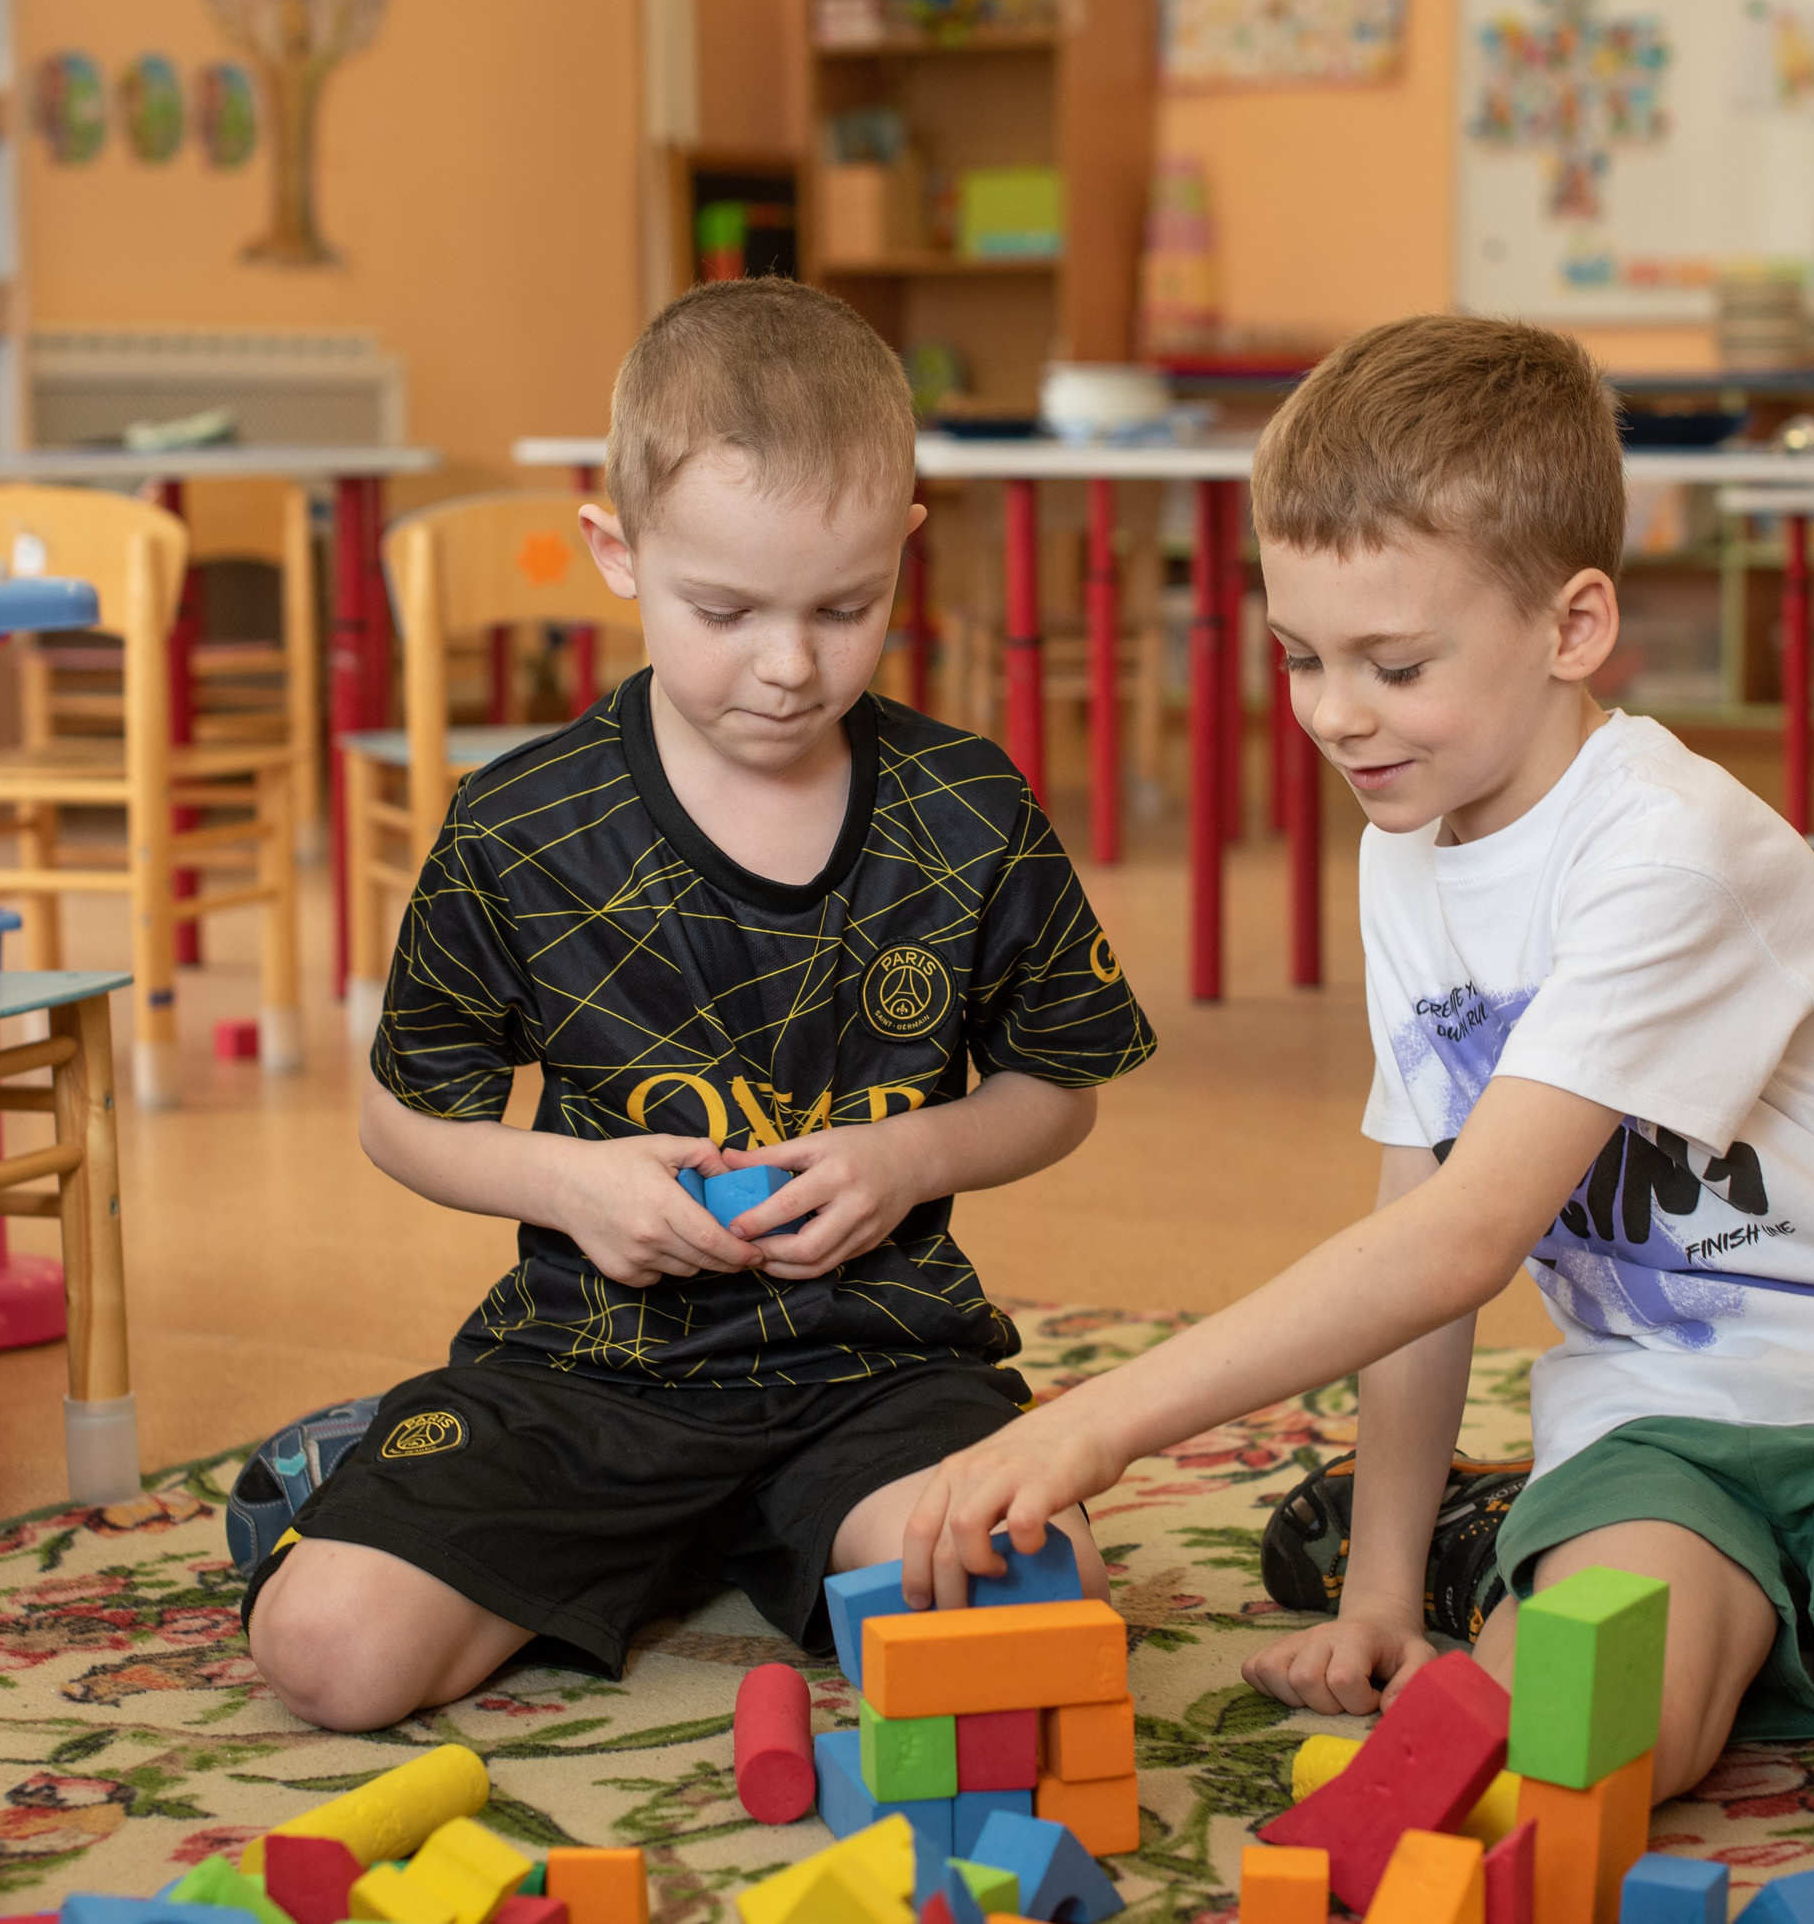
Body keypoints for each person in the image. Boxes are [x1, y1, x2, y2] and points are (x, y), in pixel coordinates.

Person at [899, 315, 1814, 1853]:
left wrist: (1096, 1424)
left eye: (1395, 664)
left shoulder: (1669, 845)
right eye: (1301, 656)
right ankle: (1537, 1562)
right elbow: (1421, 1214)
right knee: (1559, 1755)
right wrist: (1379, 1595)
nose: (1336, 711)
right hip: (1665, 1424)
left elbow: (1463, 1238)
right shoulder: (1407, 838)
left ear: (1573, 623)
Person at [245, 278, 1155, 1732]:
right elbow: (399, 1117)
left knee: (1029, 1611)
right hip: (587, 1372)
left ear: (905, 551)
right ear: (617, 550)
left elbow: (1061, 1085)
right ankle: (591, 1524)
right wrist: (568, 1181)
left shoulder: (969, 807)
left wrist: (913, 1155)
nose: (790, 667)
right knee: (327, 1652)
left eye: (845, 607)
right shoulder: (519, 824)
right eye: (724, 610)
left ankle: (711, 1544)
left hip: (882, 1369)